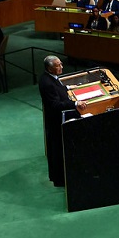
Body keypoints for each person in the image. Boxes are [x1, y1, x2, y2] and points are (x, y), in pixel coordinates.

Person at [39, 55, 87, 186]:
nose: (61, 67)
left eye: (61, 64)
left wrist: (68, 88)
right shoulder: (47, 83)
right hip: (57, 121)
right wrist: (76, 103)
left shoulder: (50, 78)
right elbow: (55, 104)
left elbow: (57, 89)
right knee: (58, 150)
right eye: (58, 65)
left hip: (57, 119)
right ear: (49, 68)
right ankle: (60, 180)